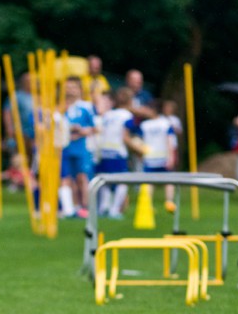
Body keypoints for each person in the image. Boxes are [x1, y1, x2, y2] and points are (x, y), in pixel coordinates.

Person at [95, 87, 142, 219]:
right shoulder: (126, 116)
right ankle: (114, 210)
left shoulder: (109, 114)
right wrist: (139, 149)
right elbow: (125, 136)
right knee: (122, 182)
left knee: (106, 181)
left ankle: (103, 208)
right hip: (117, 152)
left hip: (104, 151)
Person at [58, 76, 95, 218]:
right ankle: (71, 208)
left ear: (79, 89)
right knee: (67, 177)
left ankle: (85, 206)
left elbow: (94, 127)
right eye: (67, 87)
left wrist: (81, 131)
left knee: (82, 177)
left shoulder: (85, 107)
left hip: (81, 147)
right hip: (65, 147)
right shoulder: (61, 107)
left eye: (73, 87)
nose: (70, 90)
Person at [138, 103, 178, 213]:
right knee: (169, 180)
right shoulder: (165, 123)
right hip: (163, 156)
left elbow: (140, 141)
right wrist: (171, 157)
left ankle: (148, 204)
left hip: (149, 157)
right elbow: (170, 140)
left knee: (149, 182)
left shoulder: (144, 125)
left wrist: (141, 154)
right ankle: (169, 202)